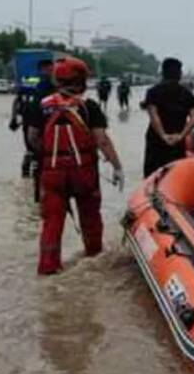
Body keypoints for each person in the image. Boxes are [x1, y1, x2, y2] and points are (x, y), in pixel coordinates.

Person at [27, 57, 124, 276]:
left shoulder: (41, 106)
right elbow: (102, 140)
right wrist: (117, 166)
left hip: (51, 173)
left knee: (52, 222)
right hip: (84, 173)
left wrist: (49, 155)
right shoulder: (88, 107)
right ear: (81, 81)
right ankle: (94, 260)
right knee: (90, 218)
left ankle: (48, 268)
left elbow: (32, 137)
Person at [143, 57, 194, 177]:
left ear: (163, 73)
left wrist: (163, 135)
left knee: (153, 177)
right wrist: (182, 135)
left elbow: (153, 115)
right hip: (177, 142)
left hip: (156, 142)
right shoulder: (186, 93)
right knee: (175, 175)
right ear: (179, 73)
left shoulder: (153, 92)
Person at [9, 58, 55, 177]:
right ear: (45, 68)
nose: (53, 72)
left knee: (30, 145)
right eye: (51, 69)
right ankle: (37, 172)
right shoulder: (48, 82)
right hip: (42, 120)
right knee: (41, 146)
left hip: (26, 119)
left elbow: (16, 101)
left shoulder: (27, 80)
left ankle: (26, 170)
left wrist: (13, 118)